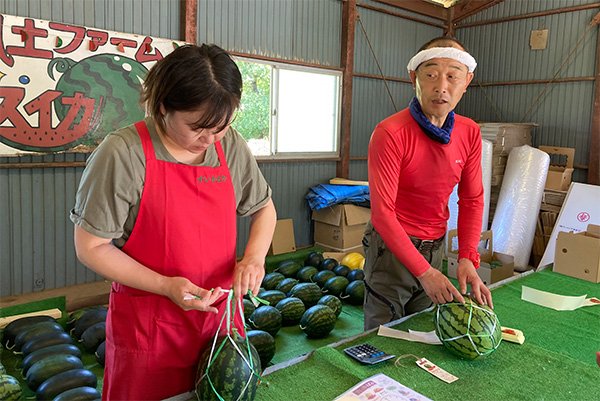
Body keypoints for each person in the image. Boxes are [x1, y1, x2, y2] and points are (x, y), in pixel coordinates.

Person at [71, 44, 277, 400]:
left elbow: (264, 208)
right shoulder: (123, 153)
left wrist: (254, 258)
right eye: (198, 128)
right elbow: (90, 247)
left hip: (220, 324)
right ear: (163, 106)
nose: (210, 140)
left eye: (222, 127)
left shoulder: (229, 148)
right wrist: (166, 286)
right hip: (149, 330)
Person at [362, 36, 493, 330]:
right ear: (413, 77)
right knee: (382, 335)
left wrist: (467, 258)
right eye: (431, 74)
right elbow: (382, 214)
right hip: (391, 250)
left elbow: (472, 199)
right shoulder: (390, 133)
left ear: (467, 81)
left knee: (422, 330)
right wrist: (425, 272)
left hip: (434, 246)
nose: (441, 87)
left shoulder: (469, 132)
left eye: (452, 77)